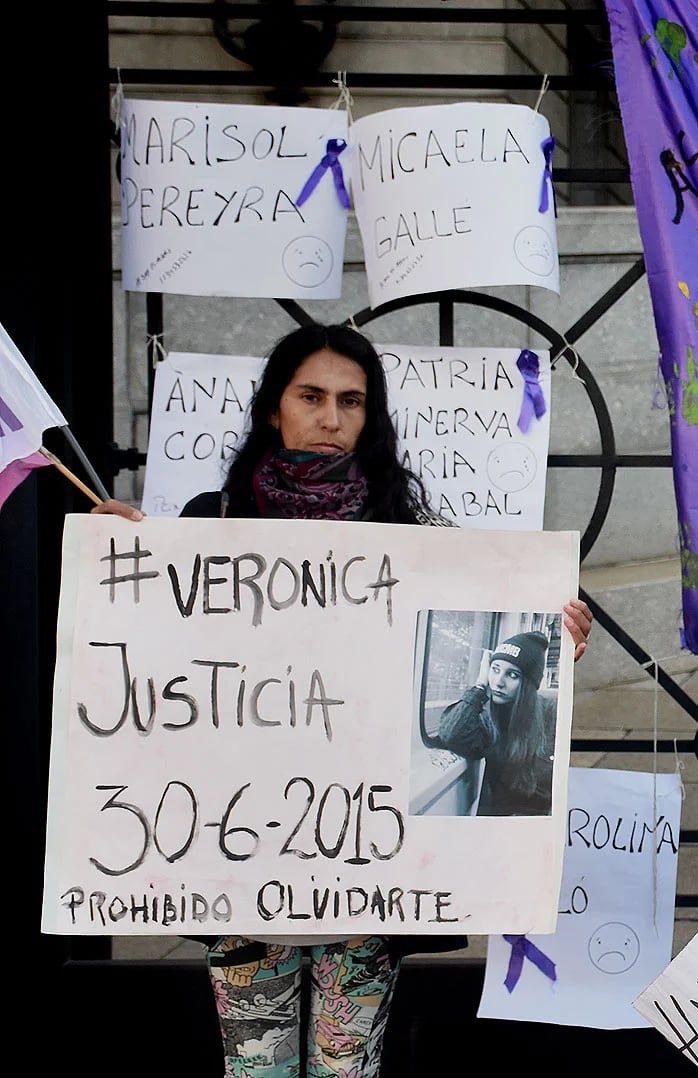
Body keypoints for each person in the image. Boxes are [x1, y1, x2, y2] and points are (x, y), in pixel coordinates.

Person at [94, 323, 591, 1078]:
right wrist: (113, 569)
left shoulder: (410, 535)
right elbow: (148, 677)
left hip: (362, 867)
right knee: (255, 1069)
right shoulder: (206, 525)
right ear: (275, 409)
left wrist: (560, 640)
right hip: (242, 861)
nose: (331, 417)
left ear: (371, 416)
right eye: (312, 396)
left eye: (352, 401)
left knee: (345, 1069)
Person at [426, 627, 559, 816]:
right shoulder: (488, 714)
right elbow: (452, 734)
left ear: (529, 684)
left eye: (512, 675)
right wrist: (480, 685)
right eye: (495, 670)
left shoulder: (551, 715)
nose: (498, 682)